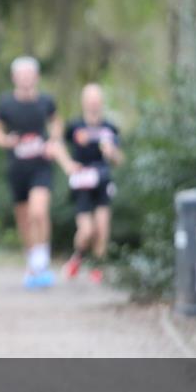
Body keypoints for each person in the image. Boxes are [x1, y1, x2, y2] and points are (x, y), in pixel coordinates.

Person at [0, 56, 76, 289]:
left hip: (41, 166)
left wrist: (54, 140)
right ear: (14, 77)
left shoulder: (46, 101)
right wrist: (7, 140)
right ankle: (32, 263)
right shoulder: (5, 103)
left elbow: (57, 123)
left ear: (36, 77)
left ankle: (42, 259)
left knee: (39, 211)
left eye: (30, 74)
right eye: (22, 75)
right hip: (17, 169)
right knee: (24, 218)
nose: (26, 79)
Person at [61, 84, 124, 283]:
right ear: (83, 101)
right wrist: (68, 164)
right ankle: (77, 258)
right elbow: (56, 145)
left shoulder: (110, 127)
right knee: (87, 230)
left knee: (102, 227)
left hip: (103, 180)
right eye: (90, 98)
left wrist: (111, 153)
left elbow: (119, 160)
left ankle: (98, 267)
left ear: (102, 101)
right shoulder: (74, 126)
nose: (93, 102)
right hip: (82, 183)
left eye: (97, 98)